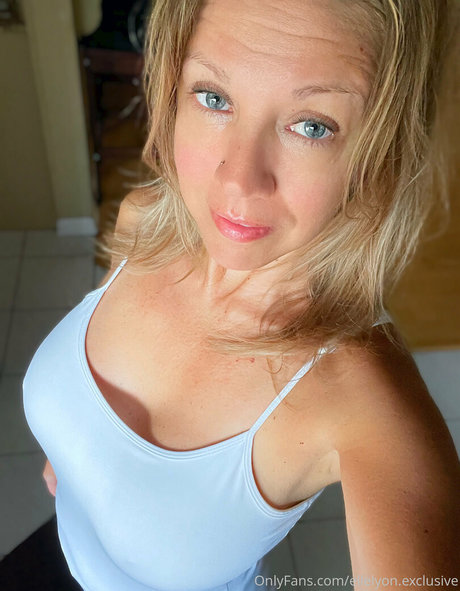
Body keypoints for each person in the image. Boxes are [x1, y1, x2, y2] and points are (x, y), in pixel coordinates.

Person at [24, 0, 459, 590]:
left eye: (311, 126)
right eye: (213, 97)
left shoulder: (368, 404)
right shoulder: (144, 222)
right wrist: (72, 454)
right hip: (53, 554)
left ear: (378, 153)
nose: (238, 179)